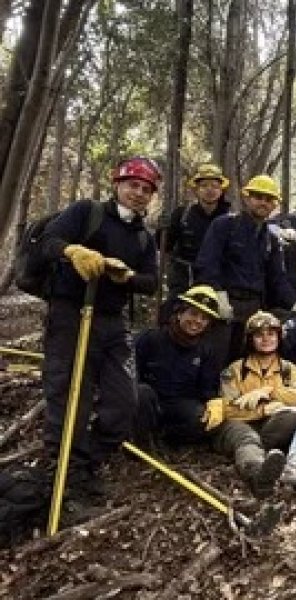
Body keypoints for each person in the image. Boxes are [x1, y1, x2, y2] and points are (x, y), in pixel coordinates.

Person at [40, 156, 161, 508]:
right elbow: (48, 241)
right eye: (132, 185)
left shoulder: (143, 238)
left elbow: (151, 282)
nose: (138, 193)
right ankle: (65, 474)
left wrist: (127, 277)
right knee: (69, 396)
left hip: (112, 320)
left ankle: (88, 460)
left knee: (125, 401)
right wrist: (72, 250)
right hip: (70, 314)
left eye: (145, 189)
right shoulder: (86, 212)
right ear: (117, 185)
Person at [201, 311, 296, 498]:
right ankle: (258, 475)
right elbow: (227, 409)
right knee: (247, 438)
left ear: (279, 337)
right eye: (259, 335)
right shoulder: (235, 370)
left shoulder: (288, 369)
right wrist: (262, 409)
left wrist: (268, 392)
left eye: (271, 334)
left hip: (270, 426)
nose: (266, 339)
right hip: (239, 427)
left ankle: (290, 465)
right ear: (250, 339)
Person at [194, 174, 296, 363]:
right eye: (258, 197)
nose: (263, 203)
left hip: (254, 308)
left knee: (246, 363)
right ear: (247, 198)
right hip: (225, 305)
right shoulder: (224, 225)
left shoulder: (271, 239)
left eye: (268, 200)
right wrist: (218, 296)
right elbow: (207, 264)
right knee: (215, 360)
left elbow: (278, 279)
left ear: (274, 205)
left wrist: (295, 304)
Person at [135, 285, 223, 446]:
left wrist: (214, 403)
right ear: (180, 313)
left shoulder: (206, 351)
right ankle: (141, 444)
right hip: (148, 403)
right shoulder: (151, 339)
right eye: (193, 313)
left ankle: (165, 440)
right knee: (142, 393)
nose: (197, 321)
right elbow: (131, 375)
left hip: (179, 406)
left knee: (203, 418)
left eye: (204, 318)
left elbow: (208, 390)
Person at [161, 163, 230, 321]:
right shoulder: (182, 215)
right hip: (185, 279)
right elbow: (164, 246)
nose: (210, 190)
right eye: (204, 185)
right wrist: (162, 230)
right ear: (196, 189)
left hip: (218, 282)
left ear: (221, 190)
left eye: (214, 185)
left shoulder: (230, 219)